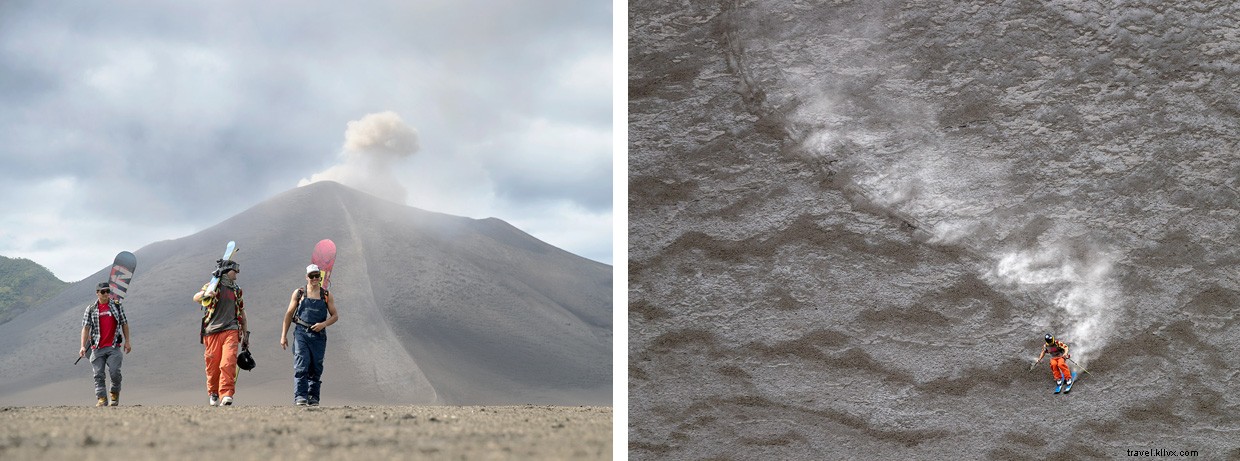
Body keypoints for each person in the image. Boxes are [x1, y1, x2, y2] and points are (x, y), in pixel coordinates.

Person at [280, 264, 338, 406]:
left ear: (320, 277)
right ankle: (300, 396)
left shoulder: (326, 295)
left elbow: (335, 316)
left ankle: (313, 397)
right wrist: (283, 335)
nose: (314, 278)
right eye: (311, 276)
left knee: (316, 366)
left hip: (319, 335)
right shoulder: (299, 293)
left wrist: (323, 324)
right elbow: (288, 315)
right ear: (307, 277)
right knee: (301, 364)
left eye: (317, 276)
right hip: (301, 332)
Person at [192, 260, 247, 406]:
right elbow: (196, 297)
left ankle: (226, 394)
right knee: (213, 366)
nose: (237, 272)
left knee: (228, 363)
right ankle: (214, 393)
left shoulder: (237, 290)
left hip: (231, 329)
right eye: (235, 269)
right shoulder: (212, 285)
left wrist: (245, 333)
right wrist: (206, 293)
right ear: (226, 270)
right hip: (211, 331)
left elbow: (241, 311)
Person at [80, 282, 132, 407]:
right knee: (98, 374)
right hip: (97, 348)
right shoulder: (91, 309)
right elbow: (86, 328)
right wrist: (82, 346)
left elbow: (124, 323)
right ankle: (102, 399)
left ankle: (114, 394)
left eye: (108, 291)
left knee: (115, 372)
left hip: (113, 346)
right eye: (103, 292)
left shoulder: (116, 306)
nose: (106, 294)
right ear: (97, 293)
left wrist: (127, 341)